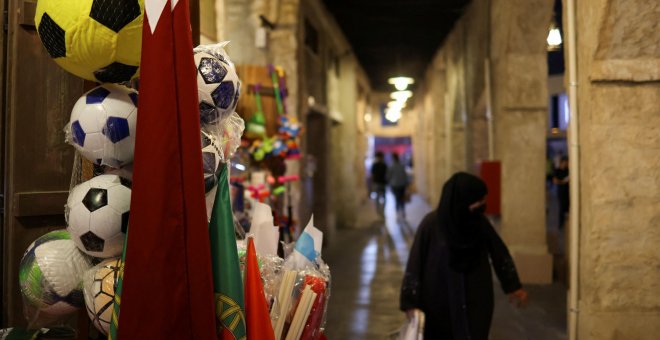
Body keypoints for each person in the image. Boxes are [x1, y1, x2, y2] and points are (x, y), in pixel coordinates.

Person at [400, 172, 528, 339]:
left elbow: (499, 252)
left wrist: (513, 285)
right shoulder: (431, 225)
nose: (483, 205)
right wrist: (411, 302)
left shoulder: (480, 223)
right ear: (461, 200)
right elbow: (415, 263)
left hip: (476, 296)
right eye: (479, 200)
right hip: (438, 297)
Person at [387, 153, 408, 218]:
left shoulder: (391, 166)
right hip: (402, 184)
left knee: (397, 199)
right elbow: (405, 175)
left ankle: (397, 213)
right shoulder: (402, 165)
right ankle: (403, 211)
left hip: (395, 185)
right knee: (402, 198)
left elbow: (388, 176)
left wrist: (389, 183)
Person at [553, 156, 569, 229]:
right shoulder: (557, 170)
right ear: (562, 162)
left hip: (567, 191)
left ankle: (566, 223)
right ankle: (561, 225)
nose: (566, 164)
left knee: (567, 207)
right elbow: (555, 181)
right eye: (566, 162)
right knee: (561, 207)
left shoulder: (568, 170)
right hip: (561, 191)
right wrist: (563, 182)